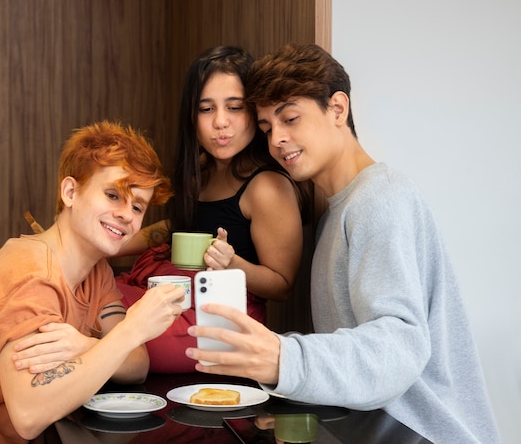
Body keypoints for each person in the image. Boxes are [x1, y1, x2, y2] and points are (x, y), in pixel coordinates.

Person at [184, 44, 500, 444]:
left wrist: (285, 357)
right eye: (266, 128)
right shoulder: (340, 209)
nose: (278, 139)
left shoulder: (381, 199)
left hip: (424, 433)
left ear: (337, 109)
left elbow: (399, 344)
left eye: (291, 119)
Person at [0, 121, 184, 443]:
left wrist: (85, 345)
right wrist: (132, 328)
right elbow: (29, 415)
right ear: (70, 192)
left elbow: (137, 364)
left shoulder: (94, 270)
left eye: (137, 206)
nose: (127, 215)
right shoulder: (30, 276)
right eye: (113, 195)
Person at [112, 45, 308, 373]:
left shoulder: (268, 187)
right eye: (206, 109)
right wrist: (107, 246)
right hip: (178, 299)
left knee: (91, 306)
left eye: (234, 107)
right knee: (82, 285)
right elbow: (172, 230)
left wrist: (233, 263)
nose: (220, 123)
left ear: (254, 112)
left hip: (220, 319)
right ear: (191, 116)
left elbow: (283, 285)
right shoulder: (201, 171)